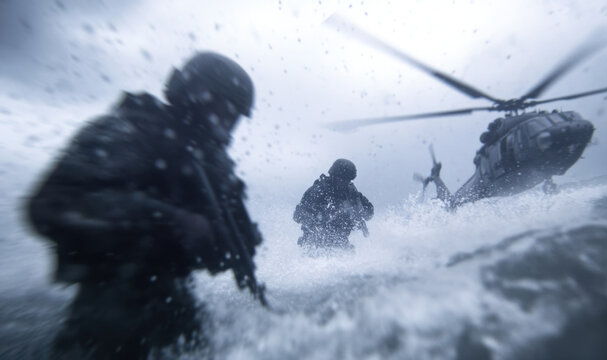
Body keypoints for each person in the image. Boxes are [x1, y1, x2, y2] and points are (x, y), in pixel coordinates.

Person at [25, 52, 266, 359]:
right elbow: (51, 205)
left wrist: (231, 239)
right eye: (223, 111)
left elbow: (228, 251)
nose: (227, 126)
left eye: (234, 117)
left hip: (177, 304)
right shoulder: (131, 132)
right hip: (110, 310)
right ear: (194, 96)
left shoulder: (212, 166)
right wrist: (169, 219)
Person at [294, 159, 374, 251]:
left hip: (340, 243)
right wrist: (321, 216)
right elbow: (298, 216)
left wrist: (359, 212)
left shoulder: (351, 193)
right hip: (315, 244)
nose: (345, 183)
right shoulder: (317, 191)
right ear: (334, 176)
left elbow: (369, 211)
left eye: (348, 180)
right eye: (343, 179)